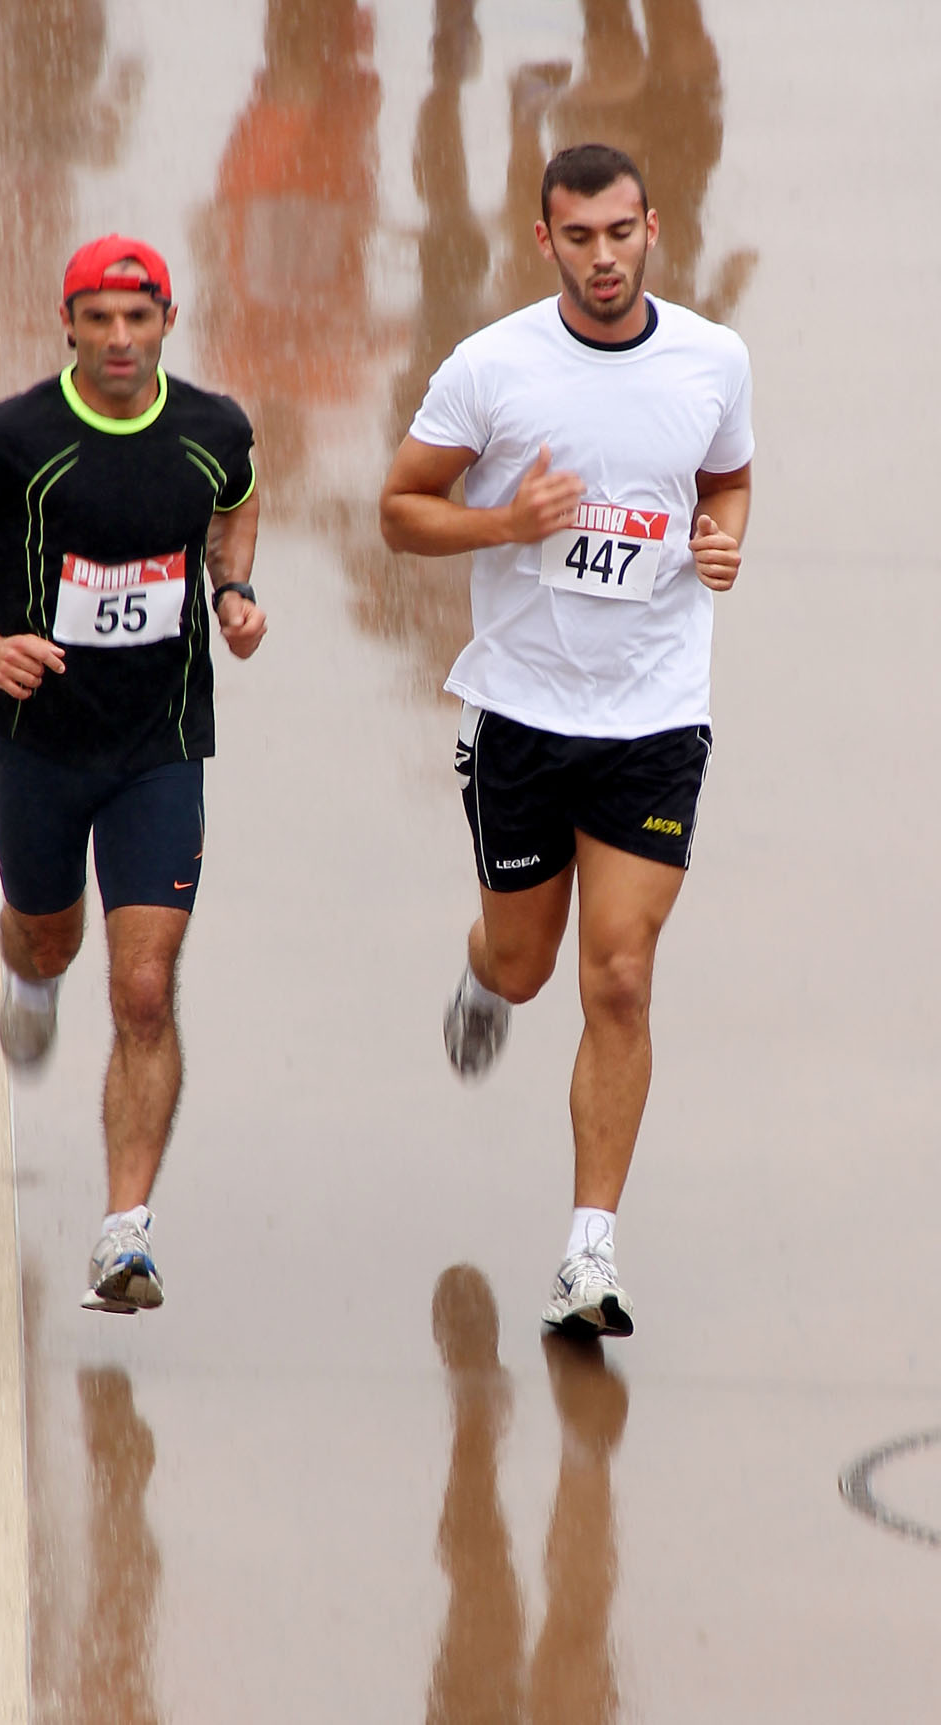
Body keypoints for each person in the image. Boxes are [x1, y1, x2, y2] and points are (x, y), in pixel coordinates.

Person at [379, 144, 752, 1338]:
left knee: (621, 977)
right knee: (531, 966)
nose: (603, 258)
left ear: (654, 227)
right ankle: (483, 969)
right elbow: (399, 510)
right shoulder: (491, 369)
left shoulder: (711, 358)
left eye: (621, 233)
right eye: (578, 238)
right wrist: (503, 519)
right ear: (544, 240)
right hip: (526, 715)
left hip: (653, 714)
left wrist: (720, 541)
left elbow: (726, 480)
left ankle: (587, 1253)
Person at [0, 234, 265, 1312]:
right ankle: (28, 973)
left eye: (136, 320)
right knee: (48, 933)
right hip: (43, 744)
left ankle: (124, 1234)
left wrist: (231, 594)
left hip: (159, 745)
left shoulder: (212, 430)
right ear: (68, 325)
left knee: (143, 987)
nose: (117, 340)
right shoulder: (11, 439)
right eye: (96, 320)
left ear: (165, 324)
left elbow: (235, 500)